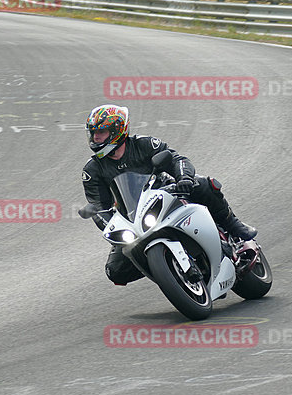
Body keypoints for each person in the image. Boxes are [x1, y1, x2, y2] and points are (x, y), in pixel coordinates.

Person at [81, 104, 257, 286]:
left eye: (101, 132)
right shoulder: (92, 171)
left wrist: (184, 178)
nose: (96, 138)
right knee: (115, 271)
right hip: (132, 220)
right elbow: (98, 206)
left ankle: (233, 225)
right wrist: (111, 228)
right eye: (93, 133)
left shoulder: (144, 144)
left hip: (165, 194)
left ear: (117, 130)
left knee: (203, 184)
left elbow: (176, 159)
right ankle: (168, 272)